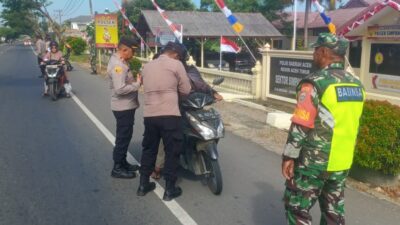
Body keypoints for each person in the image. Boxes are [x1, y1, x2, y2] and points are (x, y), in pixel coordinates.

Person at [282, 33, 365, 225]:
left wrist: (289, 156)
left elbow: (301, 124)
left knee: (297, 207)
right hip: (342, 160)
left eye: (315, 50)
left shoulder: (315, 83)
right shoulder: (357, 85)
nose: (313, 55)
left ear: (324, 51)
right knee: (333, 210)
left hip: (314, 163)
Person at [137, 42, 191, 201]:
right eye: (180, 57)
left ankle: (142, 185)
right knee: (172, 152)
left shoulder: (147, 66)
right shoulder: (176, 64)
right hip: (170, 115)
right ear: (175, 54)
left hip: (150, 115)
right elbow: (186, 90)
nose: (180, 59)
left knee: (149, 150)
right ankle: (169, 189)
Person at [107, 36, 141, 179]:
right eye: (132, 52)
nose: (134, 55)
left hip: (125, 106)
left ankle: (123, 162)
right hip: (123, 107)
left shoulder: (120, 61)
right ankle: (117, 168)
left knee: (125, 136)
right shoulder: (119, 65)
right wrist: (137, 84)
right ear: (124, 50)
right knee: (123, 137)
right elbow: (120, 89)